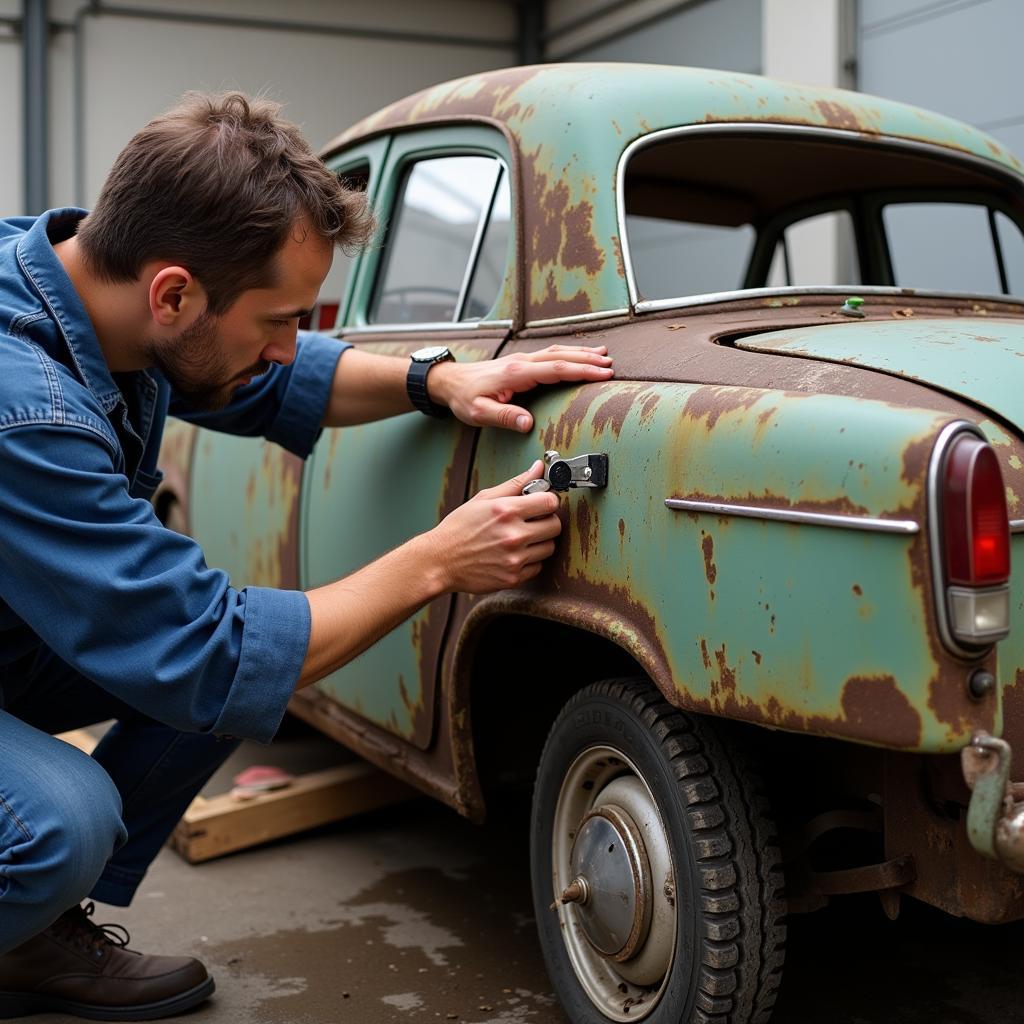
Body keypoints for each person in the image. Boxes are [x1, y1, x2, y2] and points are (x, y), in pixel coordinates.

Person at [0, 92, 614, 1020]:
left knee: (241, 667)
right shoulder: (27, 404)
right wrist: (439, 561)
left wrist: (435, 376)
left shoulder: (89, 285)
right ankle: (29, 900)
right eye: (281, 319)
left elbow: (275, 384)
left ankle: (30, 932)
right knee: (62, 818)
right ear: (173, 291)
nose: (292, 346)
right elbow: (205, 654)